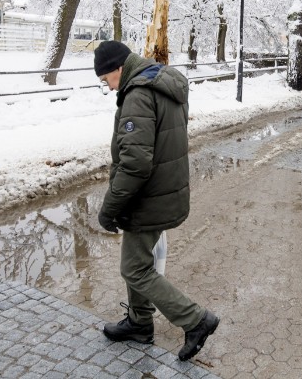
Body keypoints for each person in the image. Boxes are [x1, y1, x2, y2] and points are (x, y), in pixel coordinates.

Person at [93, 40, 220, 362]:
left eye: (106, 79)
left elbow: (135, 163)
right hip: (164, 191)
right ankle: (139, 322)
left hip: (147, 197)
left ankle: (195, 320)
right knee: (138, 263)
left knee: (134, 269)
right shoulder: (162, 82)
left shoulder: (138, 94)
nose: (108, 87)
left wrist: (109, 208)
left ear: (119, 69)